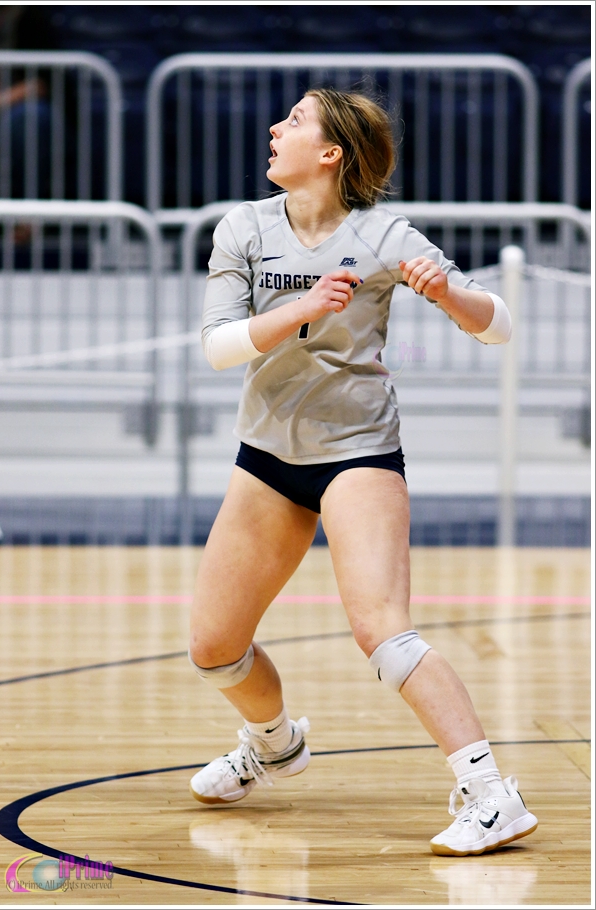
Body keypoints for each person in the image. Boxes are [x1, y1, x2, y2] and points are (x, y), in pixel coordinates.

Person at [188, 88, 538, 857]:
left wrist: (449, 293)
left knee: (380, 627)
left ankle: (491, 794)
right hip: (269, 457)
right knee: (215, 647)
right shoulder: (243, 227)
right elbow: (218, 346)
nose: (275, 128)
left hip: (357, 453)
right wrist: (301, 307)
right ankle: (274, 744)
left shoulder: (382, 233)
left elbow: (499, 325)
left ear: (331, 154)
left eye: (296, 121)